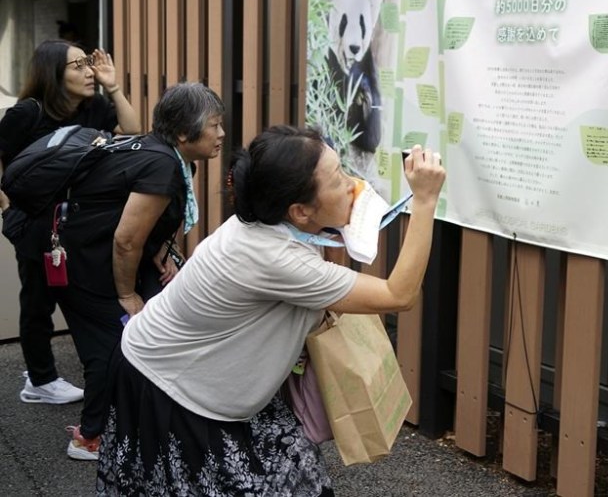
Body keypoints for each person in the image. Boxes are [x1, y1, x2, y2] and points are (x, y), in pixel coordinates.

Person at [96, 126, 446, 496]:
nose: (351, 184)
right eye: (336, 179)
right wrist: (424, 202)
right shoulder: (271, 256)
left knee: (296, 475)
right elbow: (398, 294)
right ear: (299, 210)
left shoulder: (280, 225)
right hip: (169, 386)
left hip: (218, 381)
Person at [58, 82, 226, 461]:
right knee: (112, 349)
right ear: (184, 133)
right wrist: (126, 296)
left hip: (99, 257)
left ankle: (145, 422)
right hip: (85, 267)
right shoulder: (164, 166)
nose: (221, 134)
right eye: (214, 125)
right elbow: (126, 241)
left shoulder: (168, 155)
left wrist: (163, 249)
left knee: (149, 335)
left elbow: (138, 221)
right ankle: (88, 438)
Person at [0, 40, 140, 408]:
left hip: (79, 224)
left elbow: (133, 129)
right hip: (35, 224)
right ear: (53, 74)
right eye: (78, 66)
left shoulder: (93, 108)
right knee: (38, 302)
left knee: (78, 293)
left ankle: (90, 365)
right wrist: (6, 208)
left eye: (88, 64)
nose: (89, 72)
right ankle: (40, 380)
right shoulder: (26, 114)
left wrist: (113, 86)